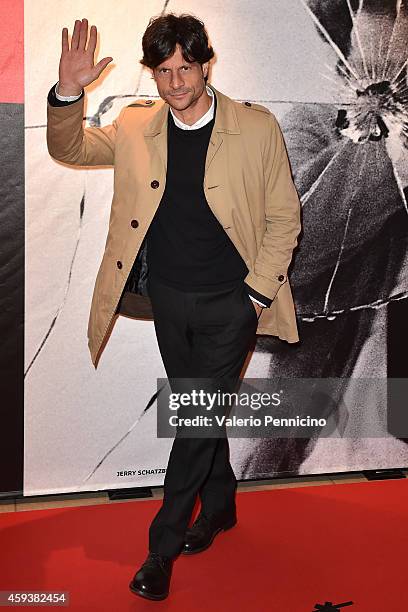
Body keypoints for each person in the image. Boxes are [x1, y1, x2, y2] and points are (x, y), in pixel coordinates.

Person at [46, 13, 301, 601]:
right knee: (203, 413)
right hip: (168, 300)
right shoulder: (137, 127)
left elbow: (284, 216)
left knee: (192, 421)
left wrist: (256, 294)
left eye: (186, 68)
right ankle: (221, 507)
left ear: (205, 63)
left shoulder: (256, 129)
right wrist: (68, 93)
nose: (176, 83)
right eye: (164, 71)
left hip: (232, 303)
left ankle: (160, 549)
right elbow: (70, 146)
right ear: (152, 73)